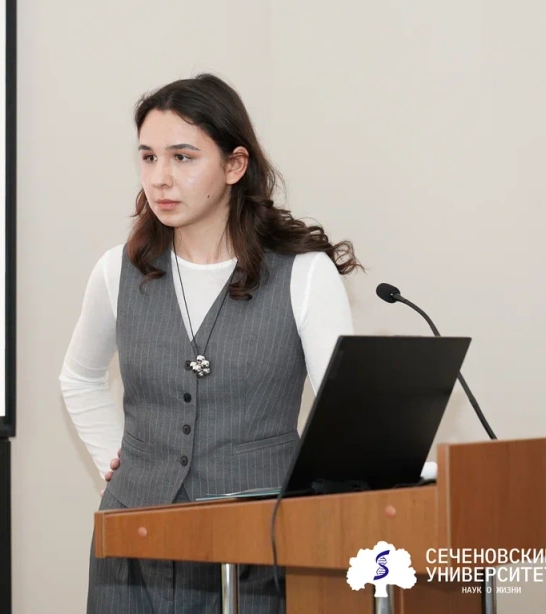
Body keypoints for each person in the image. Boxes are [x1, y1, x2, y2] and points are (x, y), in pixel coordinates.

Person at [59, 73, 362, 614]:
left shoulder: (304, 274)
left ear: (234, 165)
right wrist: (116, 461)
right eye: (149, 158)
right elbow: (78, 377)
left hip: (258, 548)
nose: (161, 178)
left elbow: (346, 415)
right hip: (133, 542)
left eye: (182, 157)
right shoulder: (117, 270)